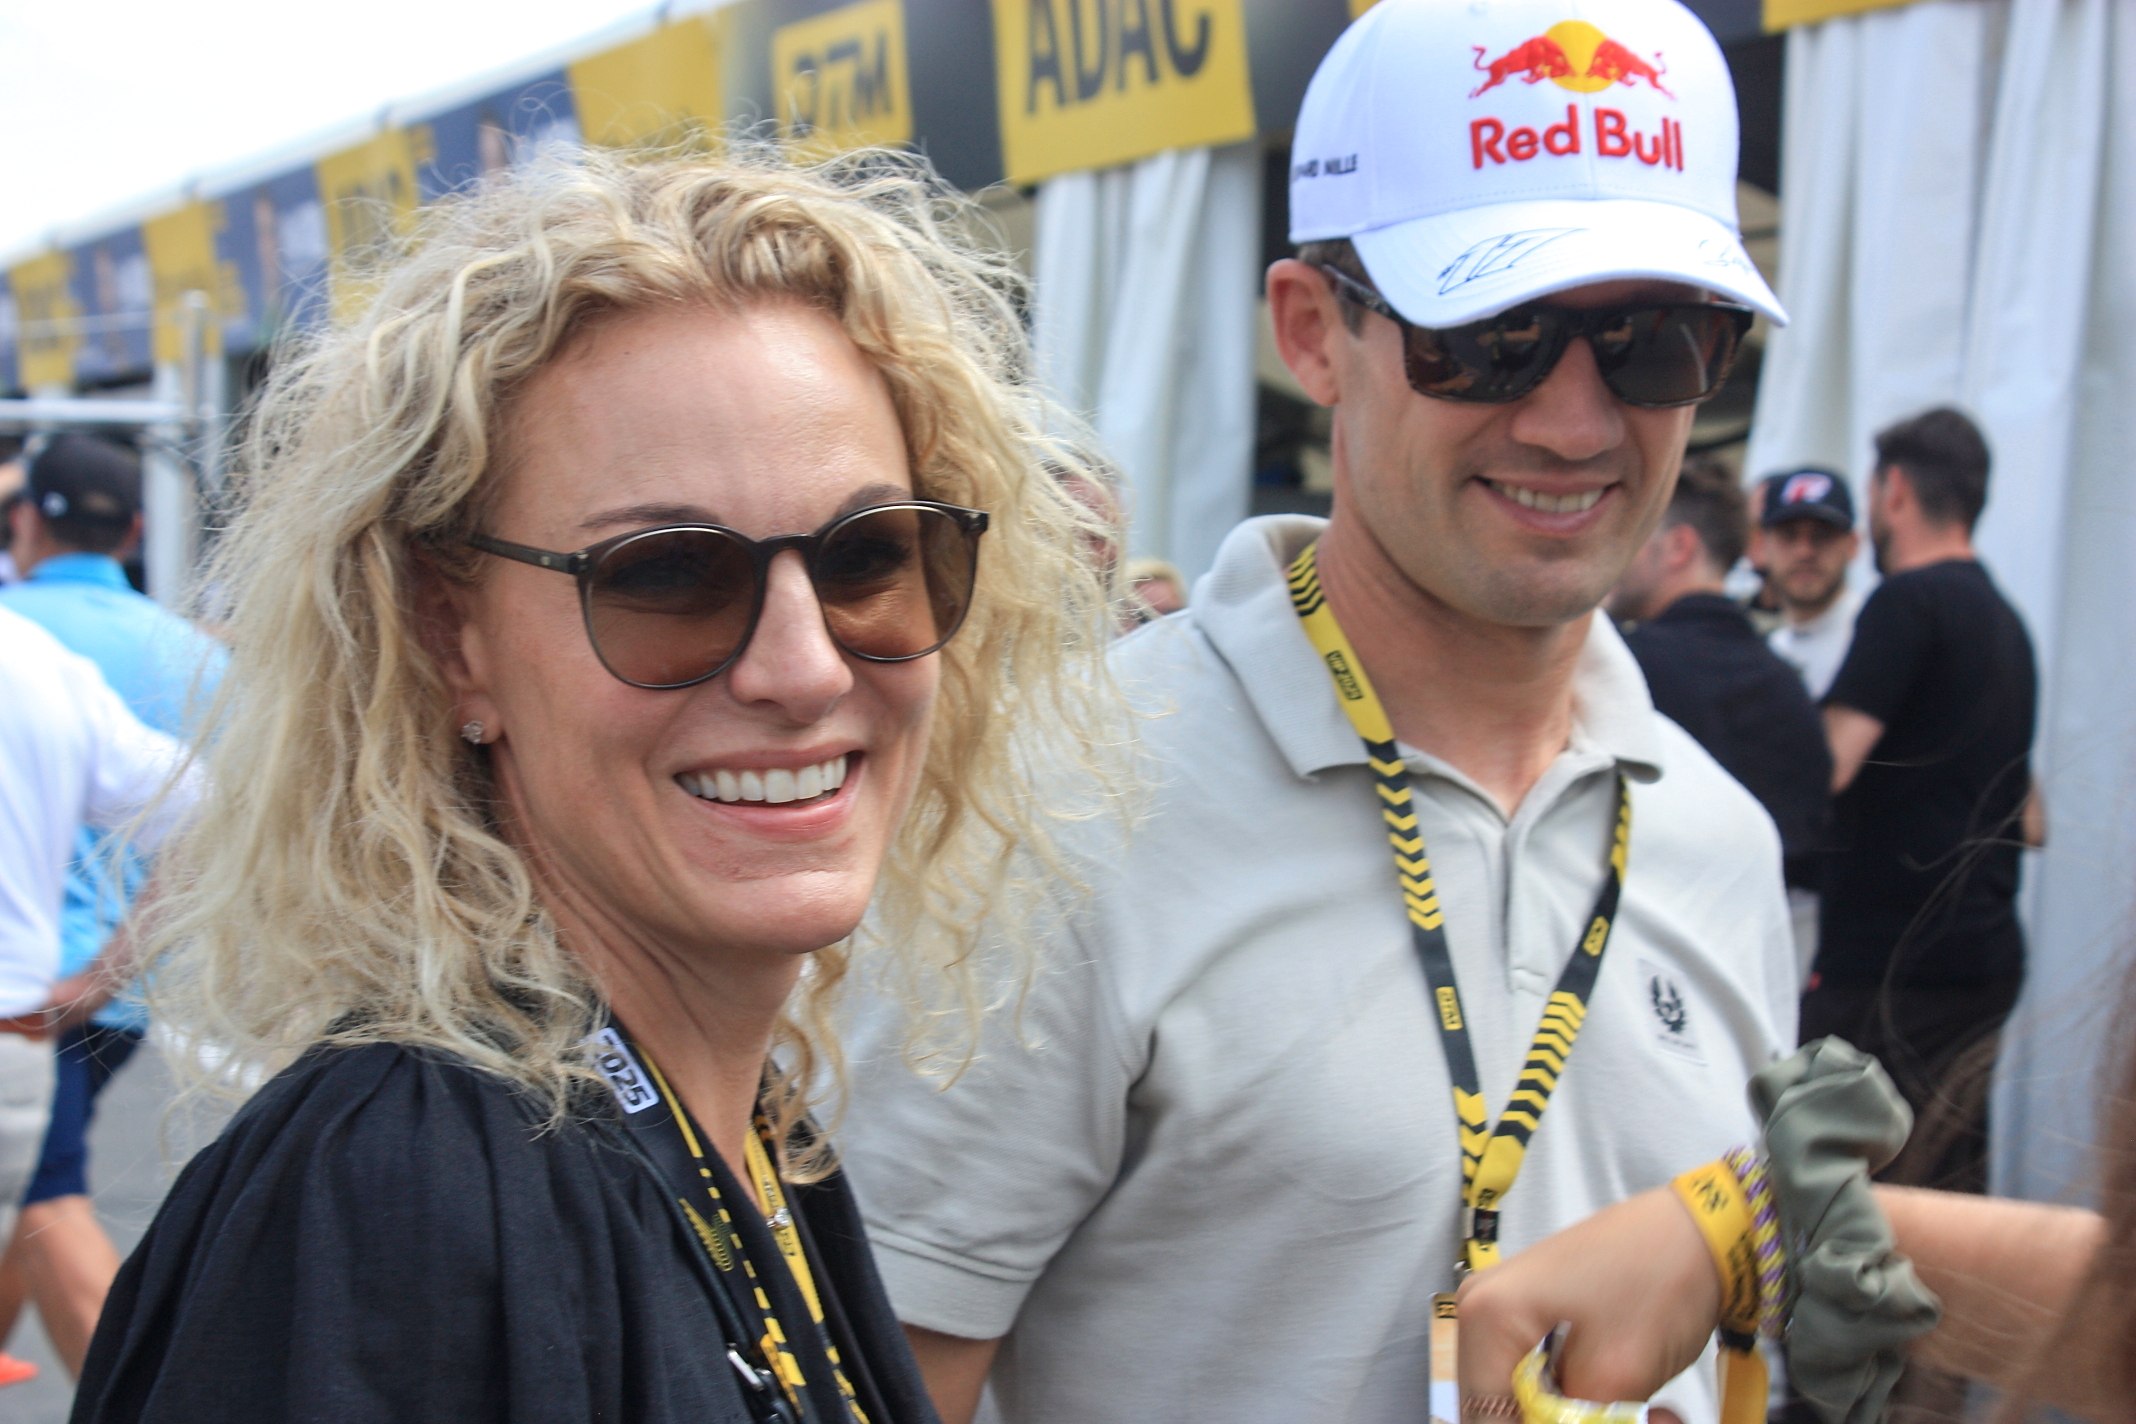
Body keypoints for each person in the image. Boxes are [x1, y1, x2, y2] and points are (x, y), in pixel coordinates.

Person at [836, 1, 1798, 1420]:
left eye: (1658, 341)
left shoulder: (1721, 840)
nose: (1576, 422)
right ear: (1312, 332)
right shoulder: (1056, 799)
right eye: (1495, 333)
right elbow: (877, 1383)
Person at [68, 145, 1117, 1424]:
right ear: (451, 637)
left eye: (868, 557)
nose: (803, 666)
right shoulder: (398, 1194)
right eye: (667, 574)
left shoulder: (744, 1135)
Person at [0, 433, 228, 1379]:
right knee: (30, 1196)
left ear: (23, 522)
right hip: (103, 997)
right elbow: (218, 817)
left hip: (26, 990)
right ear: (134, 531)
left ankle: (135, 1398)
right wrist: (107, 974)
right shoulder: (190, 656)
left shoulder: (23, 632)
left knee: (47, 1207)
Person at [1807, 406, 2038, 1195]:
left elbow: (1826, 766)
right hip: (1983, 958)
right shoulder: (2007, 625)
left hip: (1895, 961)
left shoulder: (1907, 604)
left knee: (1847, 1197)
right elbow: (2033, 817)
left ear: (1895, 490)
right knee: (1950, 1187)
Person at [0, 609, 195, 1328]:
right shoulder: (36, 658)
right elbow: (202, 811)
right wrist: (108, 975)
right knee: (43, 1204)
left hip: (46, 1003)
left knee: (52, 1206)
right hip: (38, 1018)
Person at [1610, 455, 1831, 913]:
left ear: (1679, 546)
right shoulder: (1784, 680)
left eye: (1632, 534)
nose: (1614, 554)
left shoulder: (1624, 666)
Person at [1755, 467, 1862, 701]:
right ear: (1762, 546)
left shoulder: (1876, 640)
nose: (1804, 552)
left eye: (1822, 535)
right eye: (1789, 535)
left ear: (1853, 544)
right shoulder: (1764, 650)